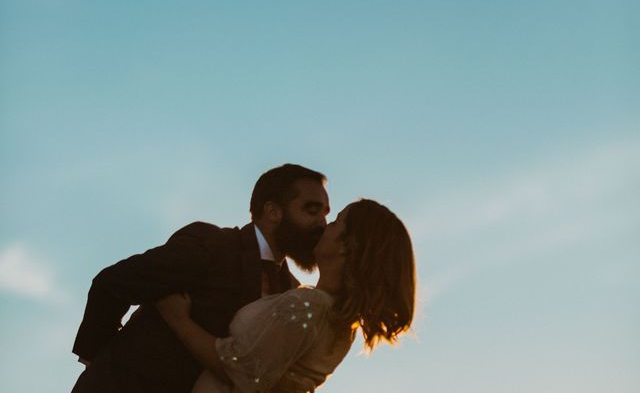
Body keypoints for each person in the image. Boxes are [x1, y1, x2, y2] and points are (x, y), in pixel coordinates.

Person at [71, 164, 330, 393]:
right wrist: (99, 365)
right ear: (273, 211)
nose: (322, 224)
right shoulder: (211, 246)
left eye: (325, 214)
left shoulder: (291, 291)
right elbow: (113, 283)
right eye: (312, 211)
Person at [155, 199, 416, 393]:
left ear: (347, 246)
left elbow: (239, 372)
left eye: (336, 222)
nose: (325, 227)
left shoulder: (307, 307)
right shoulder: (339, 323)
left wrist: (180, 321)